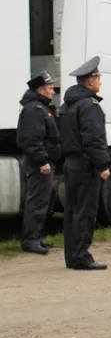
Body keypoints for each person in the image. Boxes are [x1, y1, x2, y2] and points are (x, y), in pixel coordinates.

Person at [58, 56, 111, 271]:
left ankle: (72, 255)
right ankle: (82, 256)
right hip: (85, 164)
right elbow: (93, 139)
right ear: (89, 81)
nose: (100, 82)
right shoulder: (90, 106)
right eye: (98, 77)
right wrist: (103, 165)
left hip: (71, 163)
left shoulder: (68, 105)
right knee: (85, 211)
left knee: (72, 211)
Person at [16, 71, 61, 255]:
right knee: (36, 201)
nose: (52, 90)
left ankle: (35, 237)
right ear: (41, 89)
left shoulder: (40, 108)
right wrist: (42, 161)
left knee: (42, 201)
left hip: (43, 161)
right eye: (50, 87)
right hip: (38, 164)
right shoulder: (35, 110)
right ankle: (30, 240)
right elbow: (32, 139)